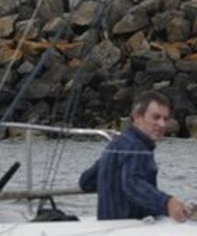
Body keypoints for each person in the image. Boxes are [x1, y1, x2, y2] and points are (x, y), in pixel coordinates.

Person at [79, 91, 191, 222]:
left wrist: (113, 186)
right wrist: (167, 203)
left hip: (107, 226)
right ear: (138, 118)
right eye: (156, 117)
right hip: (127, 229)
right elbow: (133, 185)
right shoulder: (135, 146)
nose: (162, 124)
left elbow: (86, 181)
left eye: (165, 119)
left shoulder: (117, 144)